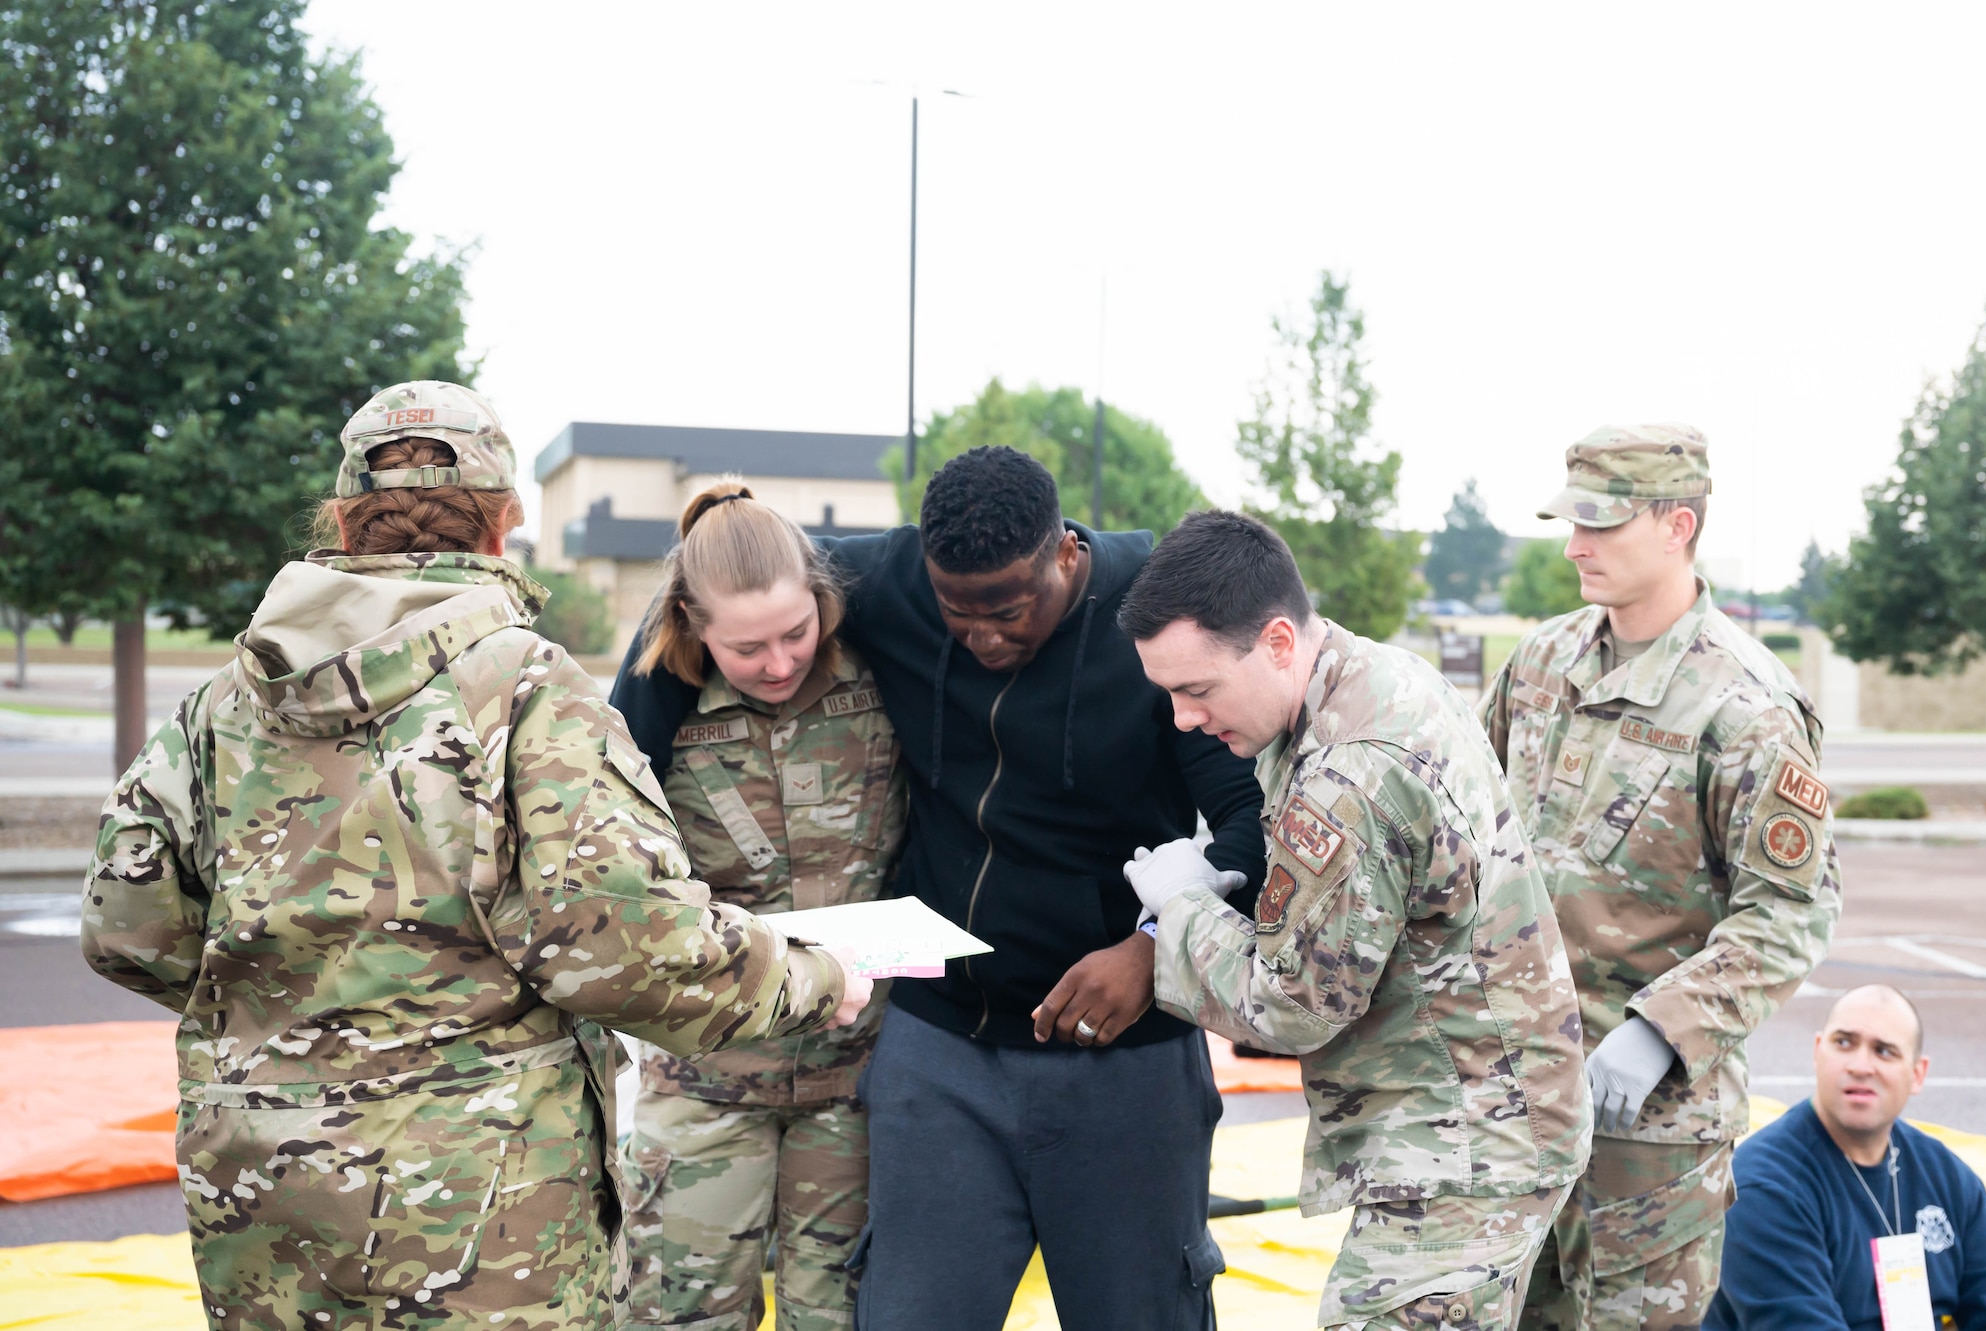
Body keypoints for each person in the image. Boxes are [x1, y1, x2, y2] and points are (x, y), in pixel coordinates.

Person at [81, 381, 869, 1330]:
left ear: (339, 521)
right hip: (481, 1207)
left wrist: (293, 1019)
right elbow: (629, 949)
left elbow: (126, 924)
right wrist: (814, 976)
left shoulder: (220, 705)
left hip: (261, 1190)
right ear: (502, 526)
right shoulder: (527, 691)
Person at [610, 446, 1266, 1331]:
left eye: (1009, 609)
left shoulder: (1149, 614)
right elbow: (720, 581)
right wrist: (626, 757)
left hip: (1124, 1061)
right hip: (938, 1053)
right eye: (958, 613)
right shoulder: (891, 580)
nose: (985, 636)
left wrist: (1154, 947)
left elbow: (1254, 819)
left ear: (1064, 554)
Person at [1118, 509, 1590, 1331]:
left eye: (1196, 690)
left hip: (1463, 1150)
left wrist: (1180, 905)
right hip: (1478, 1123)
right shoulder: (1367, 676)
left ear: (1275, 642)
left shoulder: (1352, 777)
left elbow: (1292, 1004)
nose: (1183, 720)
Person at [1480, 424, 1843, 1330]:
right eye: (1572, 523)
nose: (1574, 546)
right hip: (1512, 1097)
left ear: (1677, 524)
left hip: (1650, 1134)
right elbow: (1463, 832)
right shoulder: (1538, 665)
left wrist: (1662, 1029)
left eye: (1600, 525)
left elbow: (1790, 913)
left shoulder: (1747, 705)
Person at [617, 480, 909, 1331]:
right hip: (707, 1085)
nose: (780, 663)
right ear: (691, 625)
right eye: (748, 647)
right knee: (683, 1313)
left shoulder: (882, 676)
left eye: (796, 632)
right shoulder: (649, 716)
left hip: (853, 1084)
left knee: (842, 1314)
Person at [1706, 985, 1986, 1331]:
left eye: (1884, 1051)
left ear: (1917, 1073)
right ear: (1818, 1052)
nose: (1861, 1066)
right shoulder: (1761, 1187)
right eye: (1844, 1043)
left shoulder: (1948, 1177)